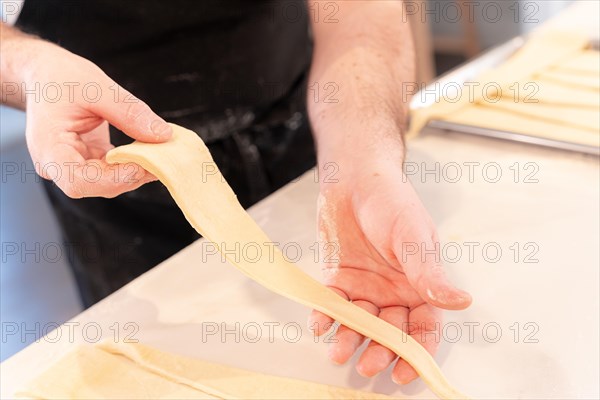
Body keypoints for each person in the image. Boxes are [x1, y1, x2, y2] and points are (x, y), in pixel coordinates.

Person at [0, 0, 471, 385]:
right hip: (117, 173)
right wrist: (31, 67)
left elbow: (360, 17)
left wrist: (365, 165)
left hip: (312, 136)